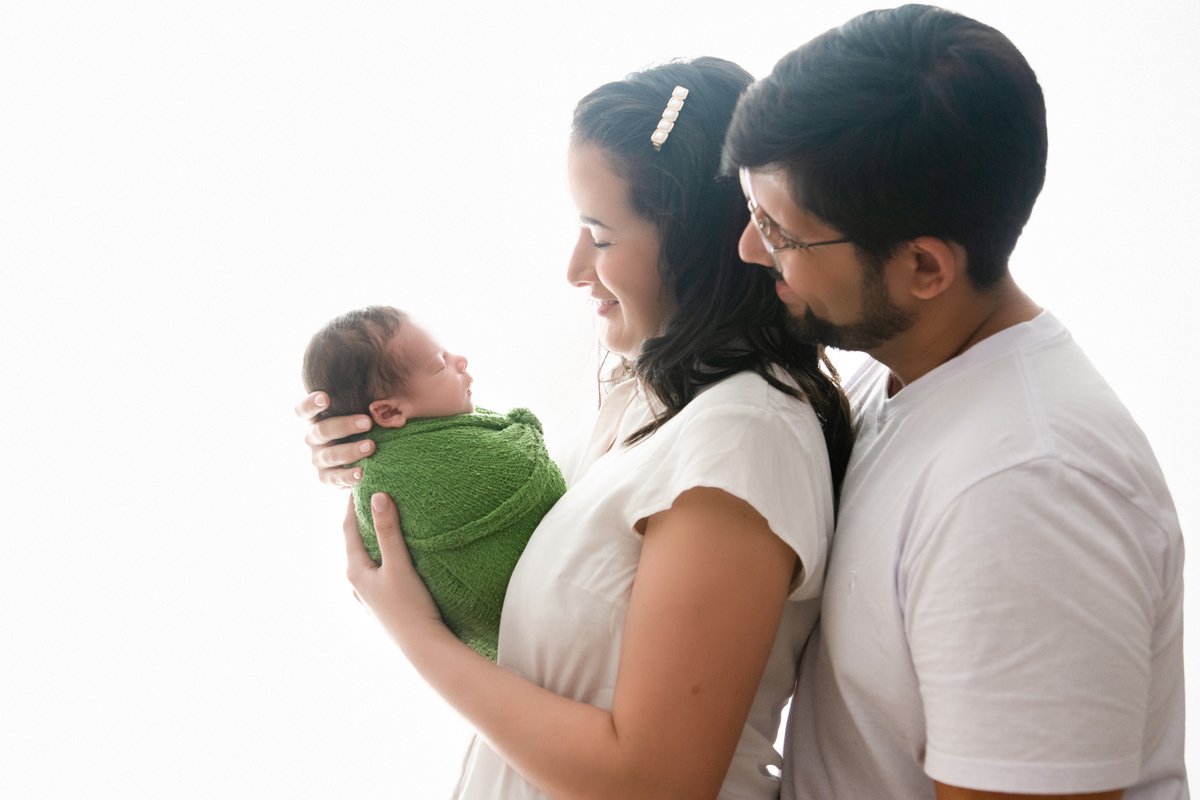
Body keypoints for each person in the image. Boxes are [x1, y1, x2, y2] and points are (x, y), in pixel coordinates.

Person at [297, 56, 853, 800]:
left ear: (693, 243)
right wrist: (381, 454)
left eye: (599, 234)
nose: (572, 268)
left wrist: (417, 638)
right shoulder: (655, 394)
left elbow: (652, 779)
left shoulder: (740, 440)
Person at [723, 6, 1187, 799]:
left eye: (780, 231)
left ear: (926, 268)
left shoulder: (1027, 491)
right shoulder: (896, 374)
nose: (748, 247)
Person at [301, 305, 566, 661]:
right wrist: (524, 427)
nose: (460, 360)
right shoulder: (401, 471)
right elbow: (521, 467)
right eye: (440, 364)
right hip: (534, 627)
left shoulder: (435, 439)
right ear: (390, 412)